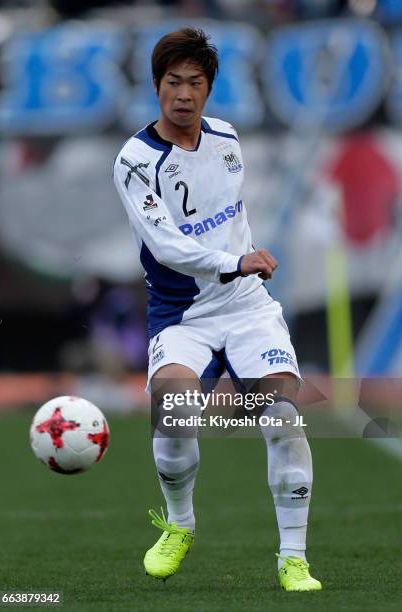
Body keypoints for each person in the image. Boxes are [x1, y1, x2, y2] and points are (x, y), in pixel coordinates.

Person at [113, 27, 321, 592]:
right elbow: (167, 247)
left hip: (248, 307)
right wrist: (236, 261)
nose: (183, 93)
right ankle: (180, 525)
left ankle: (293, 558)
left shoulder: (227, 139)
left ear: (209, 90)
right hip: (184, 316)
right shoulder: (135, 162)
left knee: (281, 414)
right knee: (173, 406)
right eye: (173, 82)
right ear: (156, 86)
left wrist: (241, 269)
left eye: (195, 83)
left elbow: (230, 217)